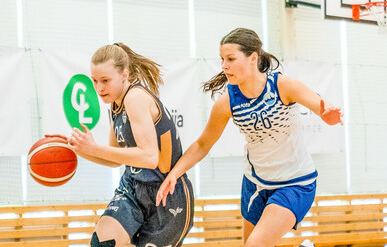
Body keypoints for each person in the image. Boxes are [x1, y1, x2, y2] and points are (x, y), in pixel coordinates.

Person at [156, 28, 342, 247]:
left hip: (295, 183)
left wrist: (328, 114)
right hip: (256, 183)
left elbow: (321, 107)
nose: (224, 65)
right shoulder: (227, 102)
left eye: (231, 59)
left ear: (253, 58)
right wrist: (175, 173)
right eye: (222, 59)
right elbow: (203, 144)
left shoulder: (282, 86)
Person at [50, 43, 194, 247]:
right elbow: (114, 159)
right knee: (103, 243)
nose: (99, 88)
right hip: (133, 187)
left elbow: (150, 157)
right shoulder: (116, 105)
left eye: (105, 81)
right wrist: (76, 147)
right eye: (95, 81)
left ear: (124, 74)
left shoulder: (135, 97)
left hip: (166, 194)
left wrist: (94, 148)